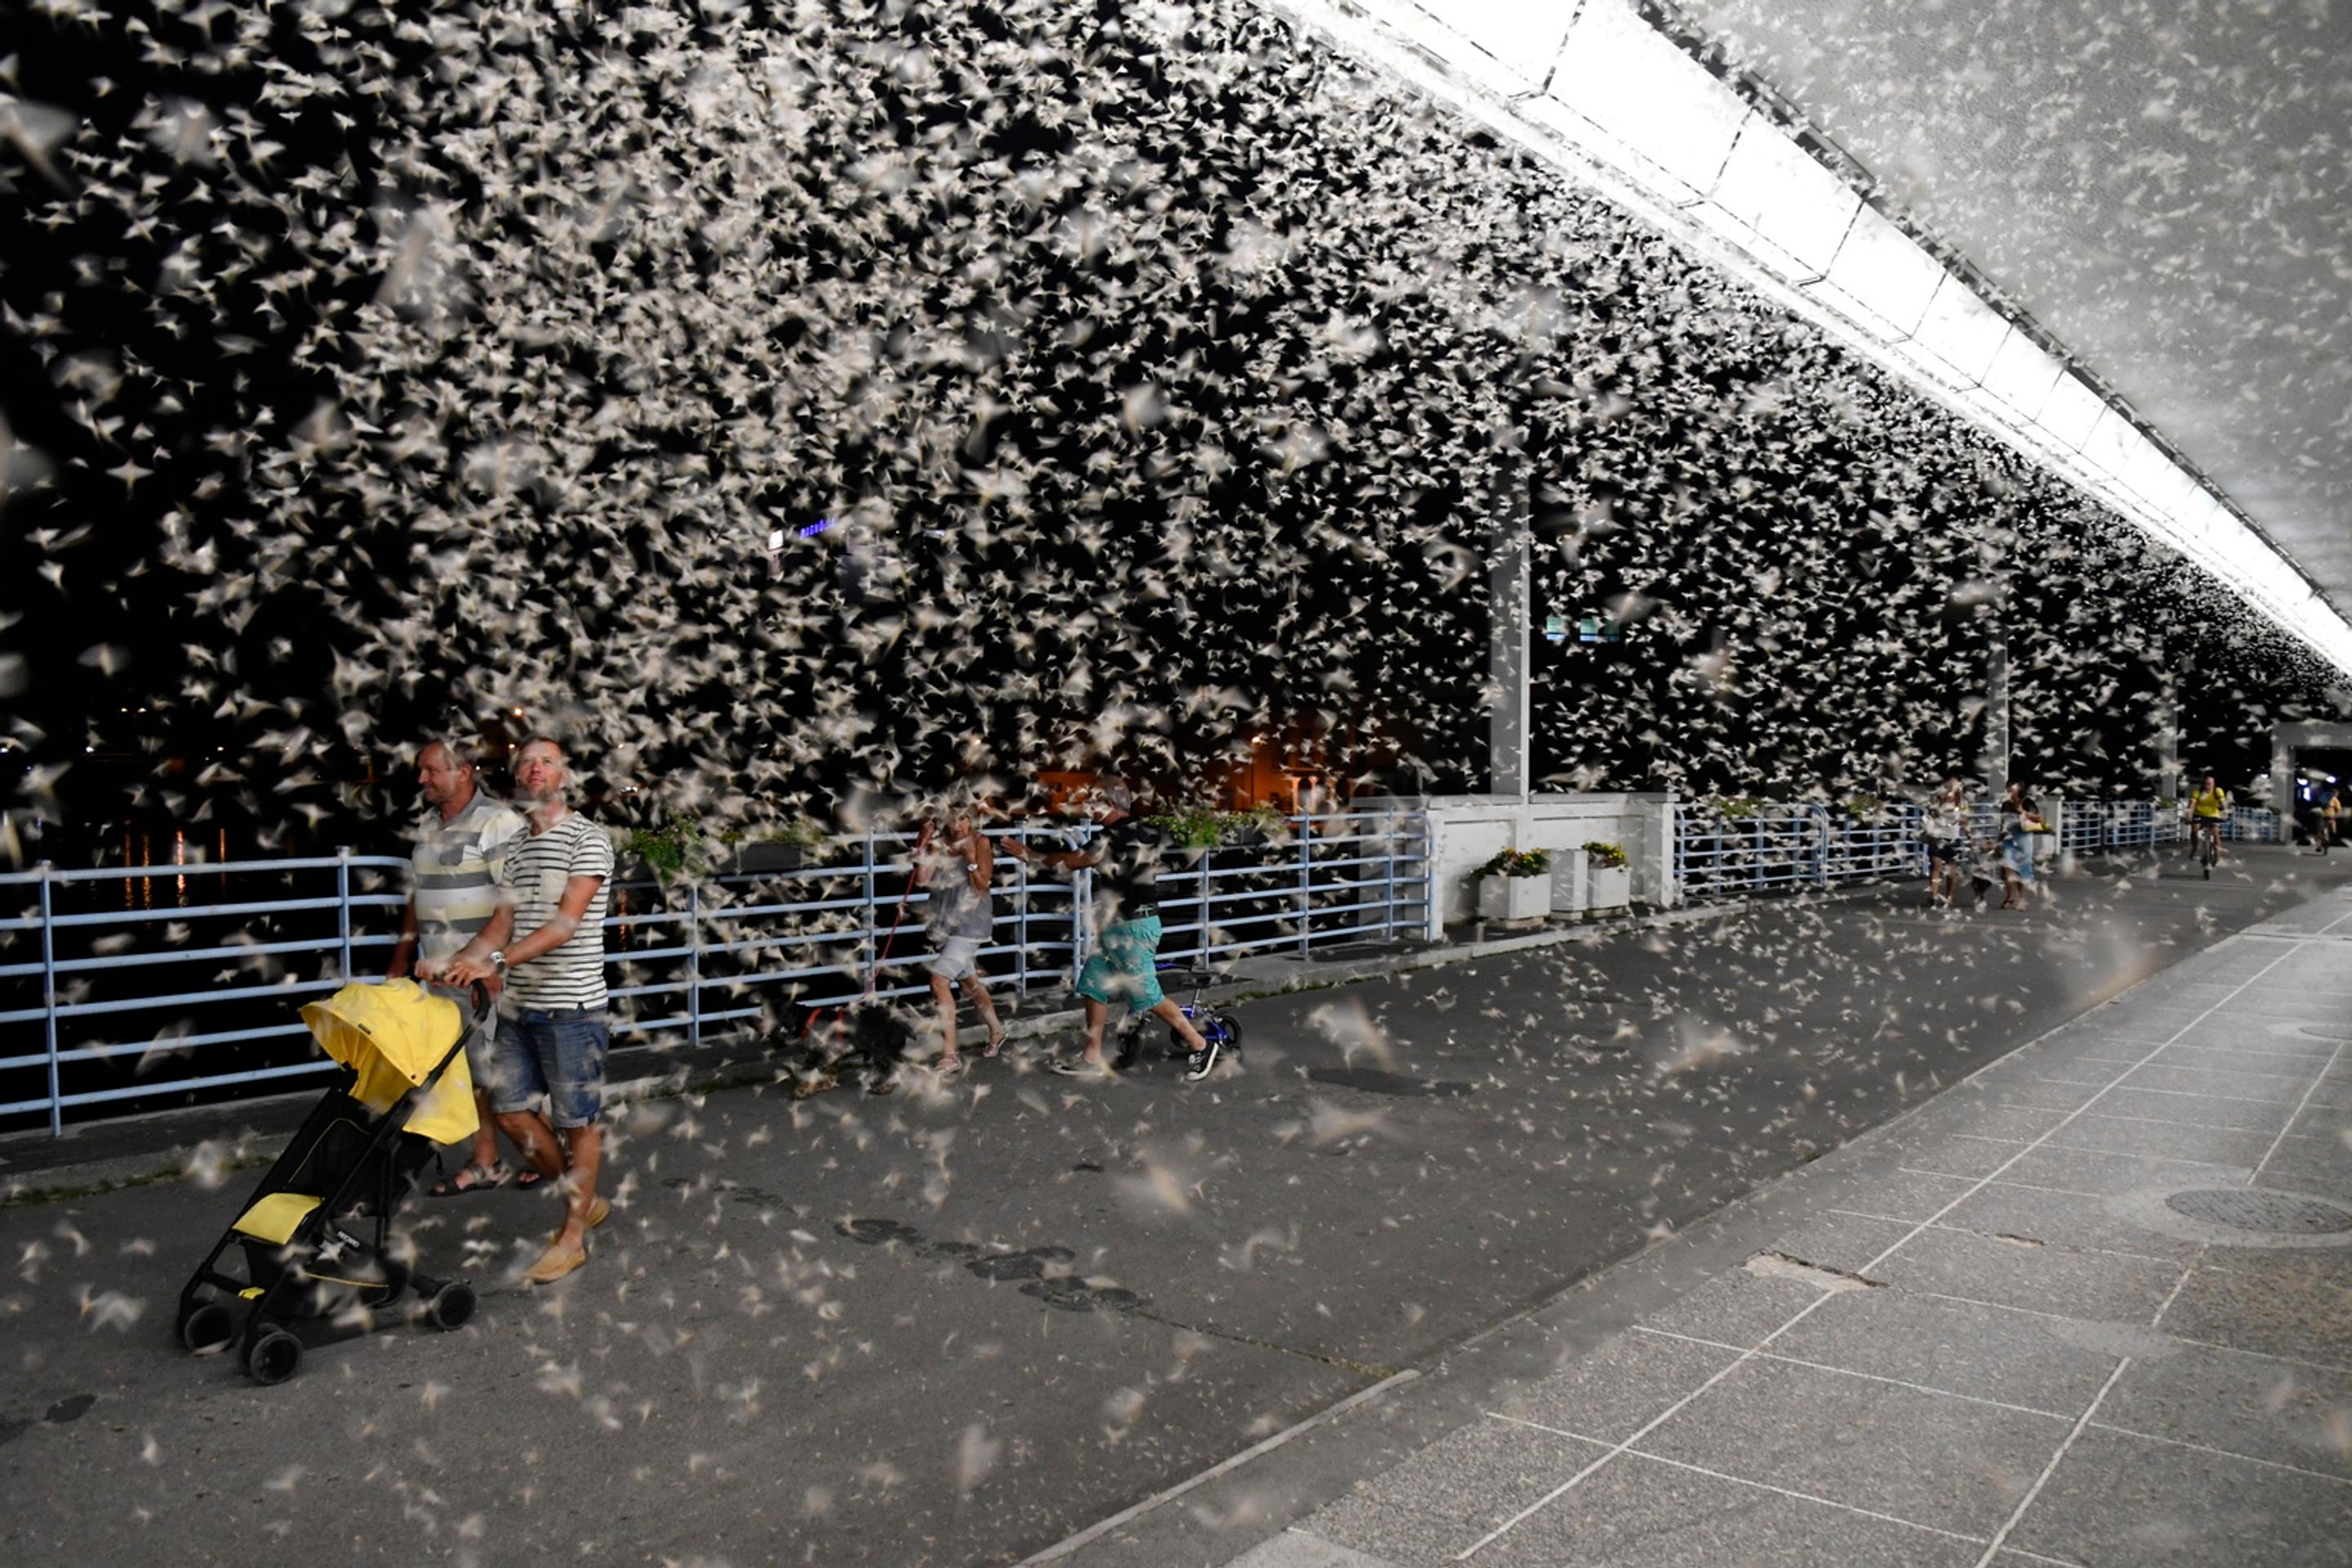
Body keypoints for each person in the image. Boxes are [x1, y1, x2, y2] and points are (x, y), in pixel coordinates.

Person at [435, 737, 617, 1285]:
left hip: (573, 1007)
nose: (535, 767)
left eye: (547, 761)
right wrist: (459, 961)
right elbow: (502, 924)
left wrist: (494, 962)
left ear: (564, 776)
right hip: (520, 1005)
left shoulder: (588, 839)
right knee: (510, 1111)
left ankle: (572, 1237)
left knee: (578, 1122)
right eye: (527, 761)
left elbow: (564, 925)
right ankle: (584, 1200)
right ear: (517, 776)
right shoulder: (516, 847)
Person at [386, 740, 535, 1196]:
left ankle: (549, 1154)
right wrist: (401, 958)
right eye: (421, 770)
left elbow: (517, 901)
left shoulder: (498, 822)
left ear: (464, 772)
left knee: (506, 1072)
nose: (422, 779)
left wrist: (491, 970)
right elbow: (419, 895)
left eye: (431, 770)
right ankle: (486, 1161)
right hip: (440, 973)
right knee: (468, 1074)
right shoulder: (429, 823)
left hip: (484, 975)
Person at [1000, 777, 1214, 1080]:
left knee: (1146, 995)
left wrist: (1027, 854)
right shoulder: (1140, 829)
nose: (1089, 804)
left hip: (1132, 928)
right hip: (1118, 926)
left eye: (1094, 799)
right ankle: (1091, 1055)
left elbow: (1069, 863)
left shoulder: (1114, 835)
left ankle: (1200, 1044)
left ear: (1110, 804)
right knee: (1093, 985)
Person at [916, 804, 1006, 1076]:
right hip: (944, 922)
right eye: (952, 820)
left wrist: (970, 859)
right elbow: (922, 879)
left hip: (971, 923)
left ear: (972, 819)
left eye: (964, 819)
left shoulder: (981, 841)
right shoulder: (939, 842)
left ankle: (950, 1055)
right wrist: (923, 845)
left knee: (939, 981)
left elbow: (982, 885)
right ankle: (997, 1030)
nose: (958, 826)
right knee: (970, 982)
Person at [1996, 782, 2045, 911]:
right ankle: (2009, 897)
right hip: (2009, 839)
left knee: (2022, 869)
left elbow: (2039, 819)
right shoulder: (2006, 804)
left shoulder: (2027, 802)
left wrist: (2023, 812)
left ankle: (2022, 899)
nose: (2008, 790)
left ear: (2018, 790)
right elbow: (2003, 824)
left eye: (2011, 788)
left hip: (2024, 839)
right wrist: (1999, 841)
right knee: (2007, 868)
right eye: (2008, 788)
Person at [1922, 777, 1970, 910]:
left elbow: (1964, 819)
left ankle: (1949, 896)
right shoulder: (1937, 800)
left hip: (1952, 838)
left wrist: (1966, 830)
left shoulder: (1962, 802)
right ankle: (1933, 896)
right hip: (1937, 836)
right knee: (1936, 865)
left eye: (1953, 786)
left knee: (1951, 869)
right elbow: (1931, 815)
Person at [2188, 773, 2228, 866]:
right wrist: (2188, 814)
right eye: (2205, 784)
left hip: (2213, 815)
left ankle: (2218, 855)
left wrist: (2225, 809)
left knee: (2216, 834)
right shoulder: (2198, 792)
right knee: (2194, 830)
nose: (2207, 786)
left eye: (2209, 784)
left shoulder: (2217, 791)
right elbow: (2192, 804)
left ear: (2213, 784)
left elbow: (2223, 802)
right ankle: (2195, 848)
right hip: (2199, 814)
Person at [2315, 786, 2341, 855]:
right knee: (2320, 831)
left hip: (2330, 817)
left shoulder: (2335, 800)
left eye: (2335, 794)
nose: (2334, 795)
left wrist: (2335, 817)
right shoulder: (2327, 798)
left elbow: (2339, 810)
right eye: (2333, 793)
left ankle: (2326, 843)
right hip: (2323, 817)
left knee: (2332, 832)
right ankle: (2319, 845)